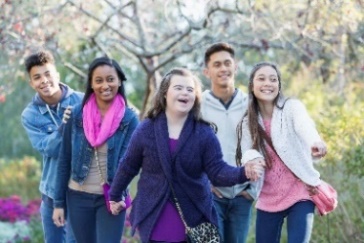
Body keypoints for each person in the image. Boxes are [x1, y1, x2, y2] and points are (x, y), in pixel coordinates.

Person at [108, 67, 264, 243]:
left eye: (190, 90)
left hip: (193, 218)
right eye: (179, 88)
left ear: (195, 98)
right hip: (154, 215)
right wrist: (114, 196)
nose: (185, 93)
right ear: (165, 93)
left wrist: (244, 172)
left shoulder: (204, 133)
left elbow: (217, 171)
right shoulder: (146, 129)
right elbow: (128, 165)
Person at [236, 61, 327, 243]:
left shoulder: (291, 107)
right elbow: (247, 151)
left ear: (279, 85)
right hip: (268, 197)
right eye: (261, 79)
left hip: (300, 191)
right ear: (252, 86)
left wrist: (314, 142)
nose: (267, 83)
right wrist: (254, 161)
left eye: (273, 79)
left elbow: (304, 125)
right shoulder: (248, 121)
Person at [52, 57, 139, 243]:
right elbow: (64, 160)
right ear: (91, 84)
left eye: (110, 79)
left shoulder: (129, 119)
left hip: (111, 198)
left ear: (119, 81)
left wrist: (119, 195)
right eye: (98, 80)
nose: (105, 85)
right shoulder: (76, 114)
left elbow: (129, 164)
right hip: (77, 197)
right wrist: (58, 204)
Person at [21, 50, 82, 243]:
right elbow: (49, 149)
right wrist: (64, 127)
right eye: (37, 77)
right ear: (32, 83)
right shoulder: (30, 115)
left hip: (83, 190)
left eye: (48, 74)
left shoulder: (83, 101)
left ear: (57, 75)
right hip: (52, 192)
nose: (44, 80)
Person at [201, 42, 254, 243]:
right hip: (210, 196)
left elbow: (264, 147)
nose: (223, 68)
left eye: (227, 63)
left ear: (236, 66)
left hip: (243, 195)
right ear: (207, 71)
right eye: (216, 65)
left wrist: (252, 190)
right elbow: (187, 149)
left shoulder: (251, 104)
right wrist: (203, 184)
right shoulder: (198, 105)